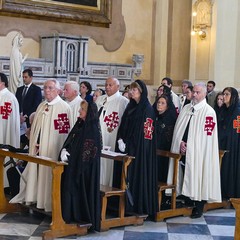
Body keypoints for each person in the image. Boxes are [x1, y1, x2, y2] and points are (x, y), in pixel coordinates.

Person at [10, 79, 72, 212]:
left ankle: (48, 202)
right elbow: (35, 128)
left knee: (48, 176)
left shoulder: (64, 107)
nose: (47, 91)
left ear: (58, 91)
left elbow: (63, 134)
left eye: (50, 88)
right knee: (36, 173)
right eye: (45, 88)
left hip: (52, 150)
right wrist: (35, 142)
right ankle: (35, 198)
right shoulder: (41, 105)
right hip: (37, 148)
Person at [167, 82, 221, 218]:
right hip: (183, 150)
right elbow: (179, 130)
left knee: (199, 175)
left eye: (198, 92)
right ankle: (187, 199)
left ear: (204, 94)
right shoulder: (186, 108)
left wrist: (190, 146)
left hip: (199, 153)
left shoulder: (209, 112)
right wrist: (180, 143)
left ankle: (199, 205)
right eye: (194, 92)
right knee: (184, 173)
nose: (194, 95)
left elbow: (207, 137)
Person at [114, 80, 158, 217]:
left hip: (140, 151)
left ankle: (136, 205)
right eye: (130, 90)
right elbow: (124, 125)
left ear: (141, 92)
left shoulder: (147, 109)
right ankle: (124, 205)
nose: (131, 92)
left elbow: (147, 134)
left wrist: (132, 146)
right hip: (127, 148)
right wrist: (120, 138)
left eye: (134, 90)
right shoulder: (130, 106)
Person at [59, 100, 101, 230]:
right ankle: (69, 214)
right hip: (74, 165)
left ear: (88, 112)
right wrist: (65, 149)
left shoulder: (92, 128)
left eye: (82, 109)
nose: (79, 111)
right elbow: (71, 140)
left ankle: (80, 215)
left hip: (84, 171)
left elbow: (88, 153)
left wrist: (74, 161)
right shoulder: (79, 124)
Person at [96, 77, 128, 186]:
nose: (107, 87)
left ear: (118, 87)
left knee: (110, 166)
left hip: (112, 138)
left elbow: (124, 123)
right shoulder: (100, 99)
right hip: (98, 137)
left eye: (110, 85)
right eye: (106, 85)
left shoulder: (123, 101)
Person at [217, 87, 240, 199]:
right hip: (221, 144)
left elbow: (235, 130)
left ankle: (230, 195)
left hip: (233, 146)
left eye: (227, 94)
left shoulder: (237, 111)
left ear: (233, 97)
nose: (224, 96)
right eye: (223, 94)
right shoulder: (222, 110)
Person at [0, 72, 20, 190]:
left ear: (2, 82)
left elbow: (8, 120)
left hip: (4, 134)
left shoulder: (9, 97)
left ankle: (6, 186)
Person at [15, 69, 42, 147]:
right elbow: (17, 103)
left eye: (26, 77)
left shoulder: (36, 89)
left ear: (31, 77)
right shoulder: (19, 89)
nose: (24, 79)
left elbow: (36, 105)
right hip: (19, 119)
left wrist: (26, 116)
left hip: (29, 120)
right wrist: (19, 115)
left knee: (28, 142)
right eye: (23, 77)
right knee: (18, 141)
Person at [155, 94, 177, 182]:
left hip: (164, 153)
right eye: (158, 102)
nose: (159, 104)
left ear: (167, 106)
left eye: (163, 103)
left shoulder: (170, 120)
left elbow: (168, 139)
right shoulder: (154, 116)